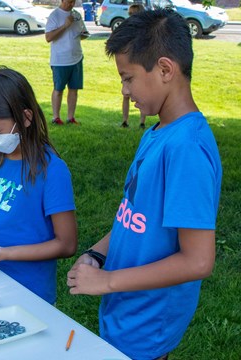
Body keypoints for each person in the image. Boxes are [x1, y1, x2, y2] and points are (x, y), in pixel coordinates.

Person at [66, 10, 222, 360]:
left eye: (128, 78)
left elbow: (198, 261)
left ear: (165, 70)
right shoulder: (158, 132)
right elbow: (133, 216)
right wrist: (97, 253)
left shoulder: (186, 149)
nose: (124, 91)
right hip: (125, 311)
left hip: (148, 325)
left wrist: (106, 282)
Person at [0, 67, 78, 305]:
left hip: (29, 291)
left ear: (26, 118)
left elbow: (67, 243)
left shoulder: (52, 171)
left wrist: (4, 253)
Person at [45, 0, 89, 125]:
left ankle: (71, 117)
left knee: (74, 89)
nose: (71, 4)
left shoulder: (76, 15)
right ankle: (56, 117)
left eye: (73, 2)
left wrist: (83, 34)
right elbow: (48, 38)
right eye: (69, 2)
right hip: (60, 60)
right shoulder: (55, 15)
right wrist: (65, 26)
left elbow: (83, 32)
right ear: (62, 1)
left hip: (76, 57)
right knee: (58, 89)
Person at [121, 3, 146, 129]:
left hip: (140, 64)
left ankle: (142, 121)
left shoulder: (146, 30)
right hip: (128, 64)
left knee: (142, 94)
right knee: (126, 94)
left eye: (134, 14)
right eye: (130, 14)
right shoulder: (126, 28)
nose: (131, 16)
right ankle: (125, 120)